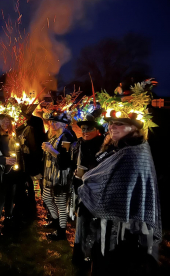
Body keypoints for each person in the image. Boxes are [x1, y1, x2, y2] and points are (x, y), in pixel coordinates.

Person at [77, 110, 162, 275]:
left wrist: (87, 185)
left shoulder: (134, 154)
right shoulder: (117, 149)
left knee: (114, 264)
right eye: (110, 123)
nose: (112, 127)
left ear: (133, 128)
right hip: (108, 225)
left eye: (119, 124)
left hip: (124, 228)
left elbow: (119, 189)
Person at [70, 112, 105, 267]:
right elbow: (72, 163)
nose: (85, 131)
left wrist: (87, 173)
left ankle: (89, 255)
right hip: (80, 189)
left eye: (89, 128)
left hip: (96, 192)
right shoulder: (79, 144)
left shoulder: (103, 146)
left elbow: (104, 168)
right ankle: (81, 254)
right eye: (83, 128)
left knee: (92, 224)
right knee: (82, 222)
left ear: (97, 130)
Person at [41, 110, 76, 240]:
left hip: (61, 176)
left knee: (61, 204)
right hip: (51, 175)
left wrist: (50, 150)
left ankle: (61, 232)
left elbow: (65, 159)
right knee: (46, 197)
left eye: (56, 122)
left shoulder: (67, 137)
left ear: (64, 124)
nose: (52, 124)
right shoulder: (56, 135)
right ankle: (55, 221)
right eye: (51, 121)